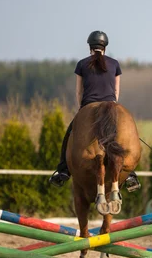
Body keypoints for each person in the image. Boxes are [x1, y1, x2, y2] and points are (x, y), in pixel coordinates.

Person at [49, 30, 141, 192]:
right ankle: (130, 173)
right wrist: (112, 104)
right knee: (123, 137)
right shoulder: (114, 64)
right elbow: (116, 92)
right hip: (111, 104)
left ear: (90, 47)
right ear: (105, 46)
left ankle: (63, 169)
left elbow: (79, 91)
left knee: (68, 134)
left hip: (88, 104)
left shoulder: (82, 64)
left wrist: (82, 109)